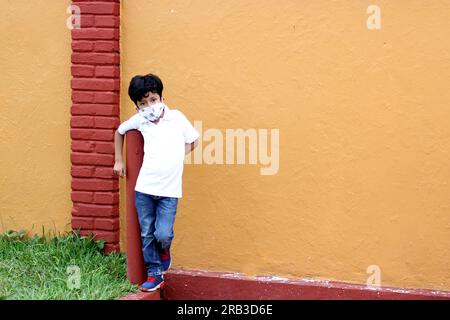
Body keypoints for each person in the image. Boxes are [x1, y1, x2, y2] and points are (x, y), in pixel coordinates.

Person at [113, 73, 199, 291]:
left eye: (153, 100)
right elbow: (119, 132)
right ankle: (154, 273)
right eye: (143, 103)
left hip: (169, 192)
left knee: (162, 233)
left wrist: (178, 154)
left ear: (161, 97)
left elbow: (194, 140)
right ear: (137, 107)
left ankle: (165, 249)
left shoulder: (176, 117)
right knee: (147, 233)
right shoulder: (140, 120)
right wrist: (119, 160)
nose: (149, 106)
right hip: (145, 189)